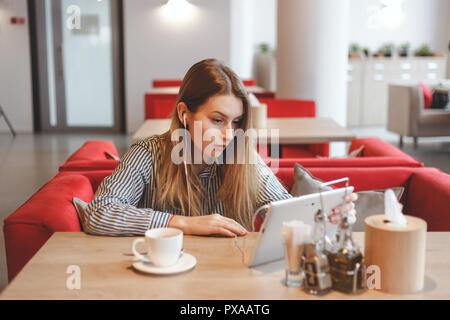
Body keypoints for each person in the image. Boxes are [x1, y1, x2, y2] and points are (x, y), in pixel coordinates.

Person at [84, 58, 356, 237]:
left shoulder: (243, 159)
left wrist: (325, 214)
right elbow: (98, 212)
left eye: (236, 122)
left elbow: (286, 210)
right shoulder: (147, 154)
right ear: (184, 114)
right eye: (217, 120)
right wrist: (182, 223)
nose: (229, 134)